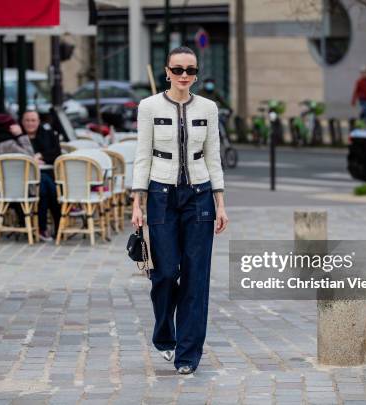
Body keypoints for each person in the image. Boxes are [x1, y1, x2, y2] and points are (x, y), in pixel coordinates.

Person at [131, 46, 228, 375]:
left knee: (196, 278)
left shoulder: (209, 108)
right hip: (160, 195)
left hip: (200, 196)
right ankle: (164, 335)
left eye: (190, 70)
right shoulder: (149, 106)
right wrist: (137, 201)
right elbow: (142, 154)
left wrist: (220, 202)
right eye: (178, 69)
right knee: (165, 273)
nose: (184, 75)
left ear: (196, 73)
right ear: (167, 71)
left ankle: (188, 354)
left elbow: (213, 155)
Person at [21, 110, 61, 241]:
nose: (30, 123)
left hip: (45, 176)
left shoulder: (47, 135)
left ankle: (42, 228)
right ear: (22, 122)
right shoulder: (18, 137)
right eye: (27, 120)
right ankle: (57, 225)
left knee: (44, 186)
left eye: (33, 120)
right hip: (24, 179)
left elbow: (57, 153)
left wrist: (41, 155)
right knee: (48, 186)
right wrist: (30, 159)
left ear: (38, 122)